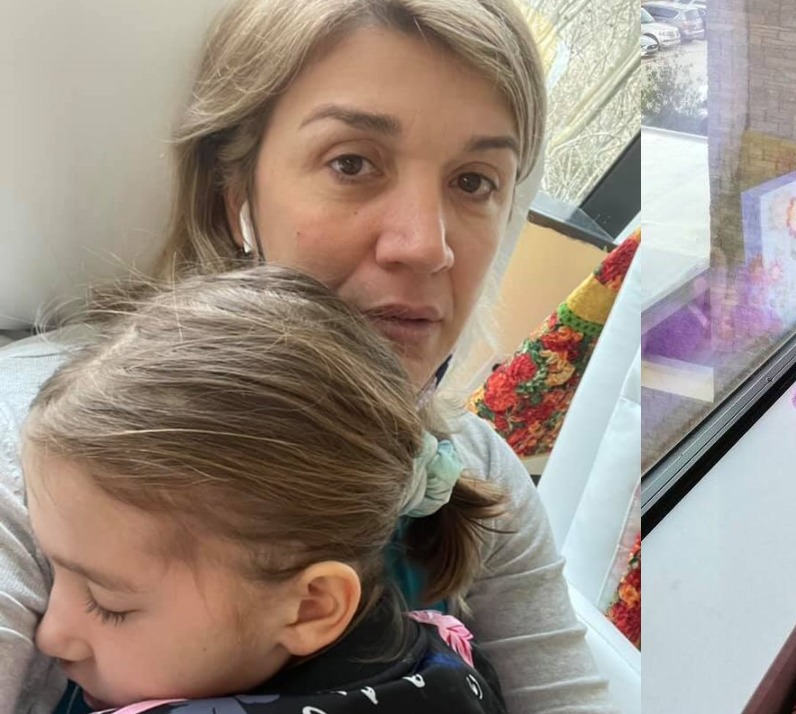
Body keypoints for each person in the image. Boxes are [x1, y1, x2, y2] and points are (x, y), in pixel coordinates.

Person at [0, 1, 616, 712]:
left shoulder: (477, 469)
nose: (426, 246)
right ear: (235, 194)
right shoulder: (56, 444)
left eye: (475, 181)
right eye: (352, 163)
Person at [25, 267, 508, 712]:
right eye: (51, 572)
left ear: (311, 608)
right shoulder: (446, 666)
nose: (50, 636)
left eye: (108, 604)